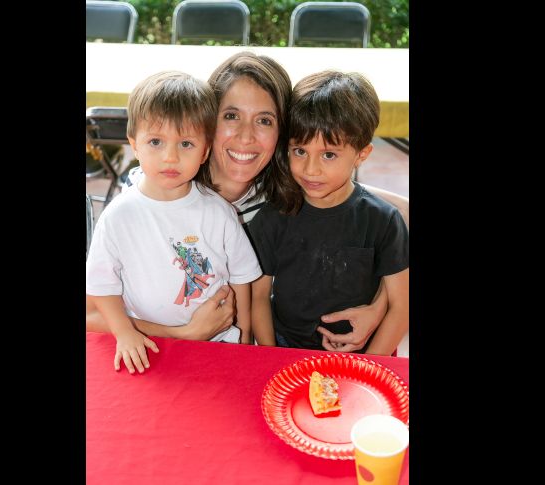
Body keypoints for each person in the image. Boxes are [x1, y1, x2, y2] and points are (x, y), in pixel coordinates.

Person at [87, 52, 409, 352]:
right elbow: (92, 314)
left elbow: (367, 210)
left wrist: (380, 306)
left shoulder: (283, 191)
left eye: (264, 120)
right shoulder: (152, 192)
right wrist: (184, 333)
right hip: (157, 350)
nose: (246, 137)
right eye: (231, 116)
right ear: (205, 123)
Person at [86, 71, 262, 374]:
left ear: (205, 150)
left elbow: (241, 278)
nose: (170, 157)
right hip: (149, 346)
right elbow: (101, 285)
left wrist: (244, 338)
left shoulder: (219, 212)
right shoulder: (118, 216)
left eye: (186, 144)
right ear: (134, 144)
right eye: (156, 141)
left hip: (218, 343)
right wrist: (125, 332)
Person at [249, 71, 409, 355]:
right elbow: (259, 296)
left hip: (362, 354)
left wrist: (367, 367)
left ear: (361, 154)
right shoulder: (272, 217)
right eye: (300, 151)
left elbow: (401, 306)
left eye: (329, 155)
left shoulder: (383, 221)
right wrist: (271, 357)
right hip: (286, 350)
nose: (311, 169)